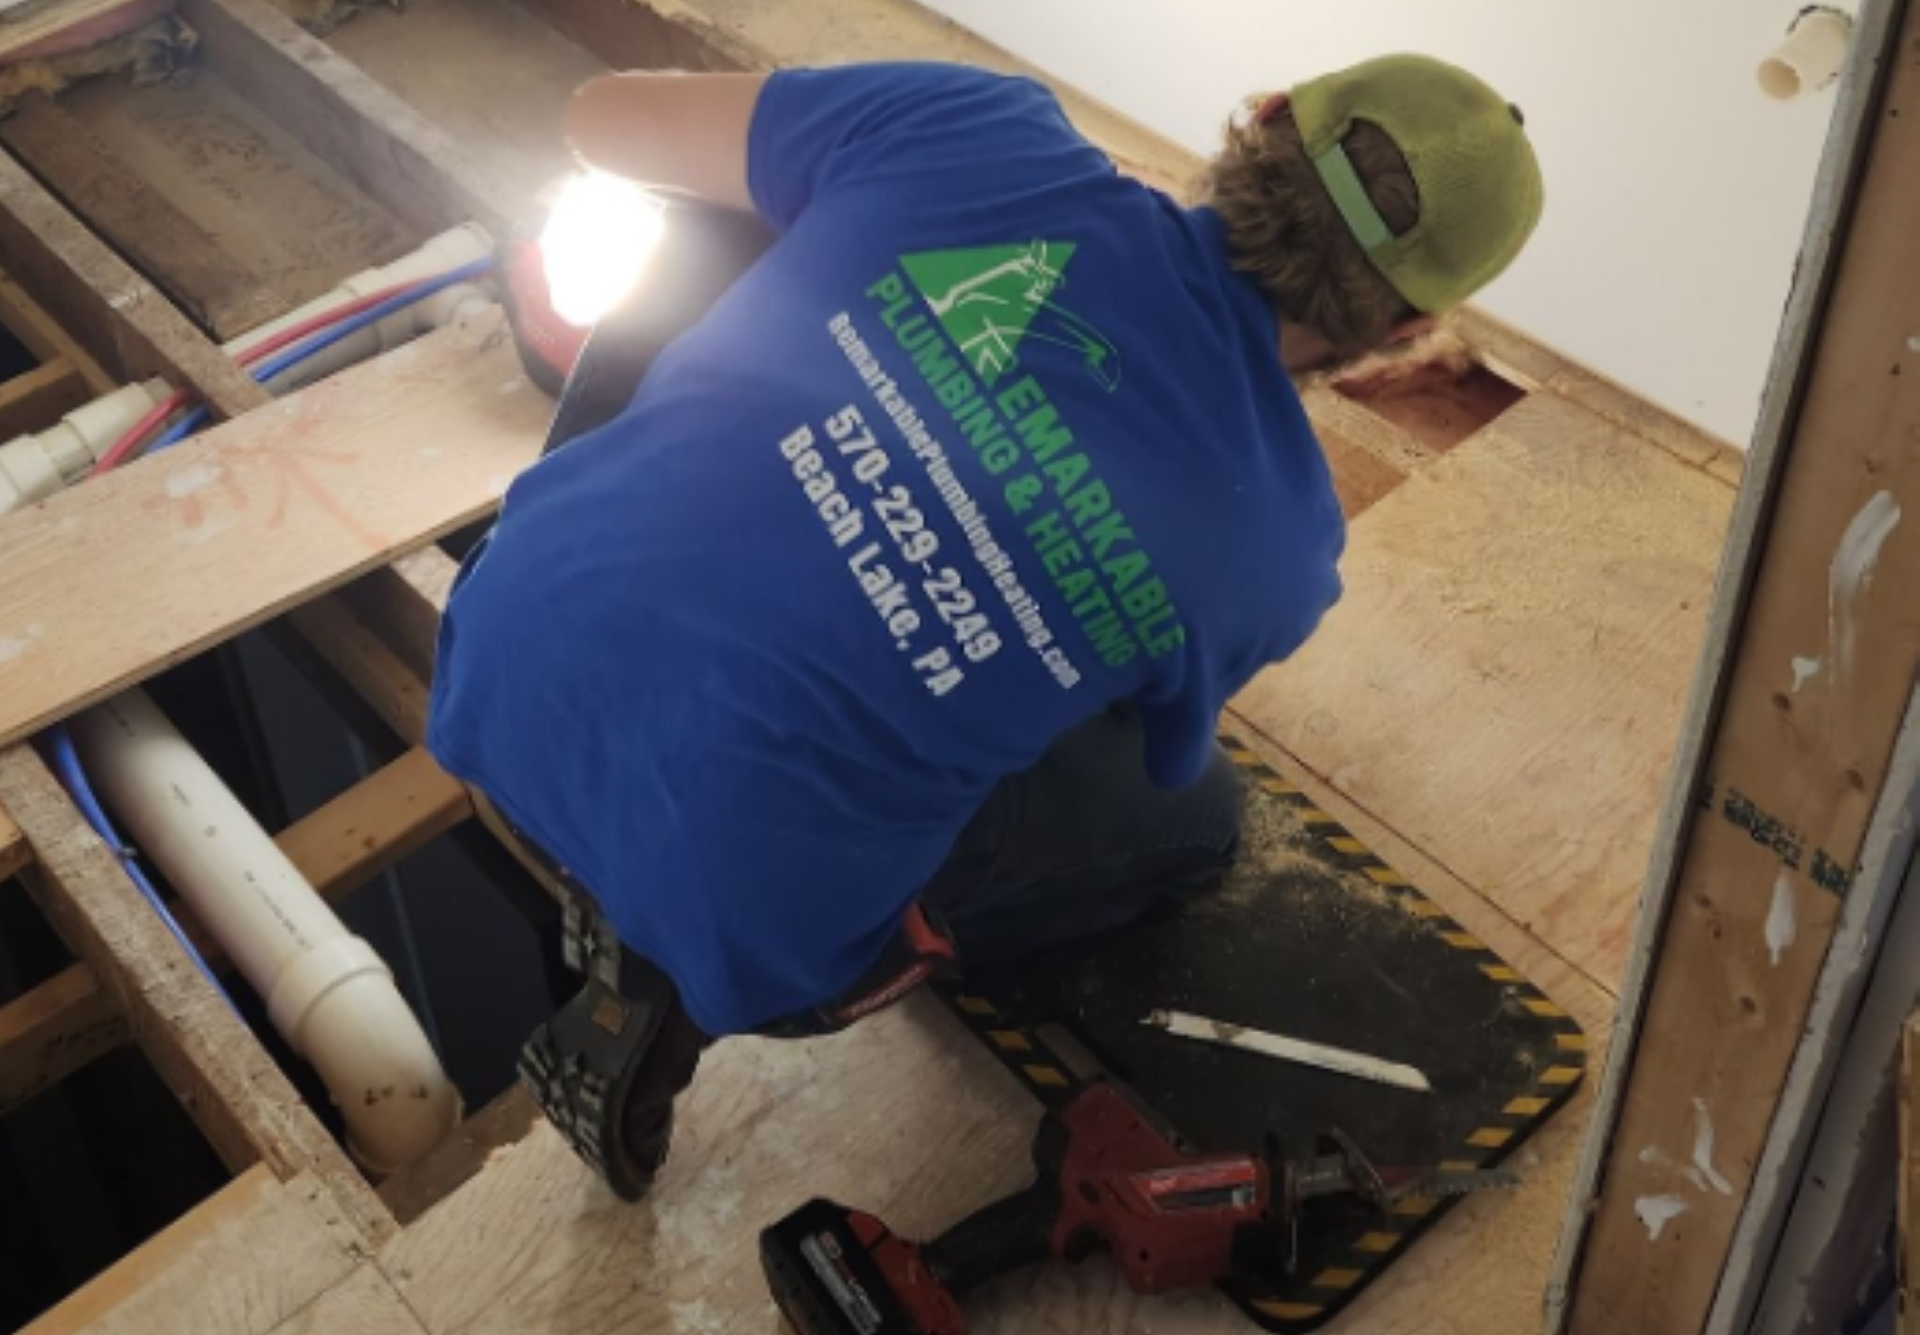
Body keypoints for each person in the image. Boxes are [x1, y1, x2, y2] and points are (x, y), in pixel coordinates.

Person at [429, 56, 1544, 1199]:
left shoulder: (972, 126)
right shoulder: (1282, 546)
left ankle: (626, 598)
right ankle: (684, 955)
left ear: (1260, 120)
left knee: (738, 208)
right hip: (751, 930)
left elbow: (599, 119)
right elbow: (1151, 745)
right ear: (1406, 329)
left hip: (492, 662)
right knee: (1200, 816)